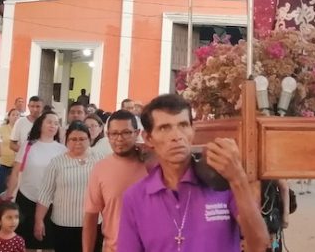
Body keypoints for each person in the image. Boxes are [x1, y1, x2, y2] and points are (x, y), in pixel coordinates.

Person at [117, 93, 269, 252]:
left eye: (183, 125)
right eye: (164, 128)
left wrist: (238, 179)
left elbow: (259, 244)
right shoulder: (135, 197)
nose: (176, 136)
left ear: (193, 130)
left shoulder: (222, 182)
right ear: (148, 138)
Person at [83, 110, 149, 252]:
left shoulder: (152, 164)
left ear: (137, 133)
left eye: (126, 133)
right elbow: (91, 217)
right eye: (114, 133)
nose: (119, 139)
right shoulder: (100, 169)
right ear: (107, 135)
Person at [36, 122, 100, 251]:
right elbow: (45, 194)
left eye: (82, 139)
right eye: (73, 139)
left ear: (89, 140)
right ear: (66, 140)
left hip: (93, 223)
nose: (78, 143)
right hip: (63, 225)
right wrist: (39, 220)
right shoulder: (57, 163)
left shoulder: (99, 160)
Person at [8, 111, 66, 251]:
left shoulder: (62, 150)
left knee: (49, 243)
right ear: (40, 125)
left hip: (51, 202)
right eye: (49, 122)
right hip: (27, 198)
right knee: (26, 243)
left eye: (56, 123)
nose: (53, 126)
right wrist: (9, 194)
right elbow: (15, 171)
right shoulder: (28, 146)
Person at [0, 109, 21, 197]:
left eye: (17, 115)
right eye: (13, 115)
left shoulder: (21, 130)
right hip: (3, 162)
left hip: (17, 163)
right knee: (1, 186)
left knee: (14, 187)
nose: (15, 117)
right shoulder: (1, 129)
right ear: (9, 117)